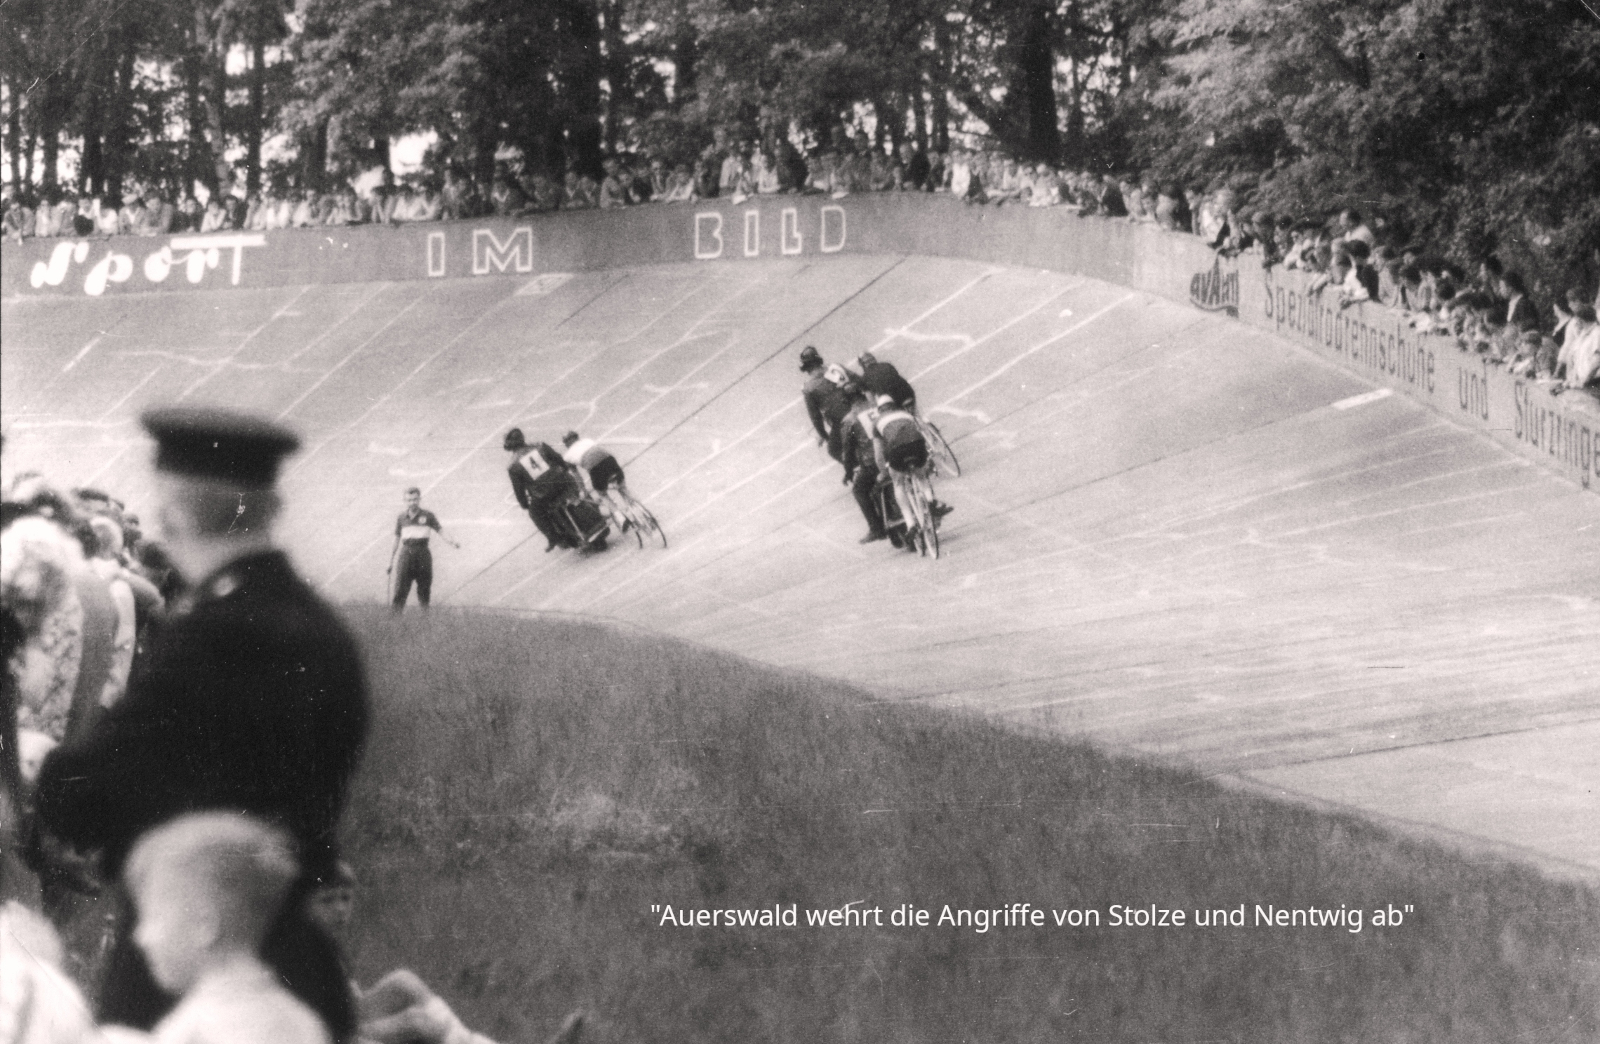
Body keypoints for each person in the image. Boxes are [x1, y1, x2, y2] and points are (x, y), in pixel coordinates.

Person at [35, 406, 369, 1042]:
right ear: (268, 507)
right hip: (300, 964)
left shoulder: (210, 638)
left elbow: (81, 799)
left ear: (175, 514)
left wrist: (38, 761)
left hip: (188, 973)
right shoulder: (326, 633)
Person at [123, 812, 330, 1044]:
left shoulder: (192, 1029)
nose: (140, 937)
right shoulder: (303, 1021)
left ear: (204, 925)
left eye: (153, 917)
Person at [864, 395, 952, 543]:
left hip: (897, 452)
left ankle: (910, 524)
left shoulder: (876, 422)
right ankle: (931, 503)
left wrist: (884, 473)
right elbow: (923, 433)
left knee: (898, 484)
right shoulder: (905, 414)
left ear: (880, 410)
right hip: (917, 446)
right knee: (921, 475)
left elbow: (878, 454)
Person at [504, 429, 581, 552]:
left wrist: (524, 504)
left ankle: (553, 537)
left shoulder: (513, 466)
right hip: (564, 482)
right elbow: (558, 458)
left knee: (535, 513)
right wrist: (565, 469)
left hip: (545, 494)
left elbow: (519, 490)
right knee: (575, 489)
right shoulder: (540, 445)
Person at [387, 488, 457, 612]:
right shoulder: (401, 517)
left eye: (415, 499)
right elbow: (396, 538)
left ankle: (424, 619)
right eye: (409, 500)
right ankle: (395, 619)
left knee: (424, 588)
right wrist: (390, 561)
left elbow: (440, 530)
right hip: (406, 553)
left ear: (419, 499)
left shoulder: (428, 516)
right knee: (400, 588)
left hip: (423, 552)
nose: (412, 502)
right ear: (405, 501)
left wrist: (451, 542)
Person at [798, 348, 855, 464]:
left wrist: (824, 436)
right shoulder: (836, 368)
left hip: (842, 422)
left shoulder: (809, 388)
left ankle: (857, 468)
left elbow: (815, 417)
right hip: (860, 407)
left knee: (834, 450)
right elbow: (857, 380)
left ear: (806, 367)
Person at [560, 432, 628, 526]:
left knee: (602, 494)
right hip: (610, 460)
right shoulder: (587, 440)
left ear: (566, 444)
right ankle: (636, 509)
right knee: (622, 487)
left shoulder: (567, 457)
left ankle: (620, 517)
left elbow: (577, 476)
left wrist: (583, 490)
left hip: (596, 469)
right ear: (577, 438)